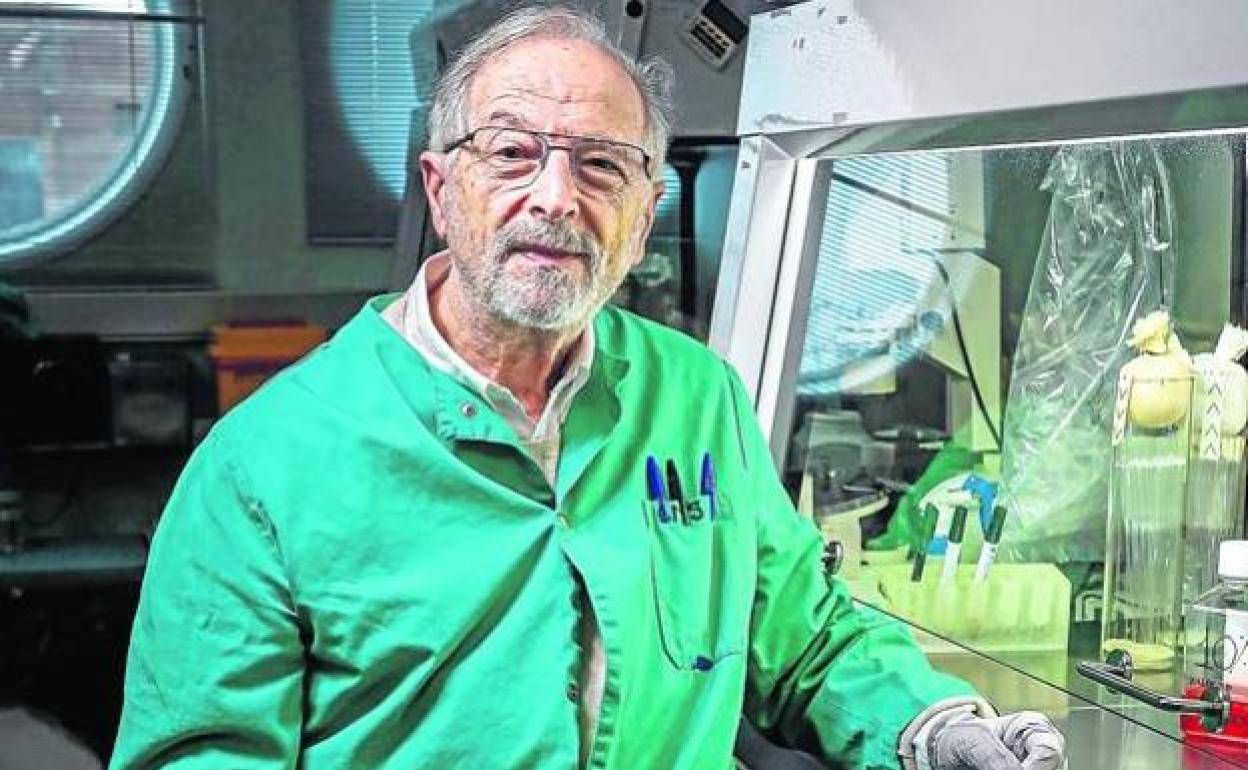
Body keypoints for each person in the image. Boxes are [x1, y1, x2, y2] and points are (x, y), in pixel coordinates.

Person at [109, 7, 1066, 770]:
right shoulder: (263, 466)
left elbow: (803, 637)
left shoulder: (696, 396)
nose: (557, 197)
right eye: (512, 154)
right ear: (440, 191)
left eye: (602, 165)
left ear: (644, 218)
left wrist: (932, 725)